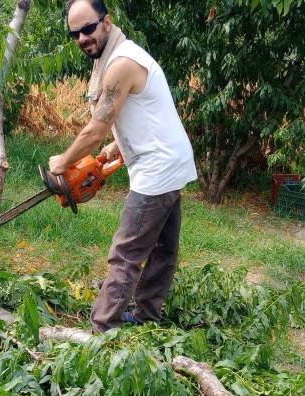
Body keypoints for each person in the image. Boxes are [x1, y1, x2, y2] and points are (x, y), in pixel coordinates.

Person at [49, 0, 197, 332]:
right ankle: (147, 316)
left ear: (106, 21)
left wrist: (62, 162)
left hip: (158, 170)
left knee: (126, 253)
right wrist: (120, 142)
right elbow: (144, 110)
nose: (83, 38)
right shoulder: (118, 56)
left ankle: (104, 328)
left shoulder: (121, 63)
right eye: (76, 34)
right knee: (163, 248)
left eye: (88, 28)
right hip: (170, 162)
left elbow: (95, 130)